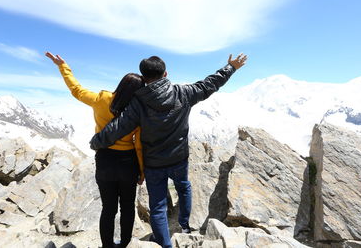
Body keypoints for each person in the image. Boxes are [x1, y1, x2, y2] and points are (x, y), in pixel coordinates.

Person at [90, 53, 248, 248]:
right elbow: (210, 84)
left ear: (144, 78)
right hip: (179, 158)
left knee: (157, 206)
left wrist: (96, 142)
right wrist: (230, 67)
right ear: (165, 73)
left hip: (154, 163)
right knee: (184, 187)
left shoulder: (138, 103)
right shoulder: (183, 93)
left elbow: (119, 127)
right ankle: (184, 226)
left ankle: (164, 244)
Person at [45, 52, 145, 248]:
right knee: (127, 207)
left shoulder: (101, 99)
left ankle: (107, 245)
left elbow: (77, 90)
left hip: (105, 160)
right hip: (128, 162)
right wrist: (142, 171)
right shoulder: (137, 111)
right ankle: (124, 244)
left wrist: (63, 67)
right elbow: (139, 145)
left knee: (108, 208)